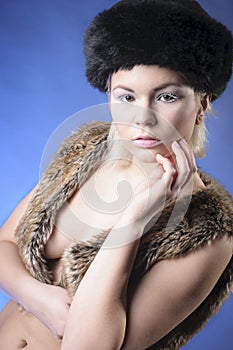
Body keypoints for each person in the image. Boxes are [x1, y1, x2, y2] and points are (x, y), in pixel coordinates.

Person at [0, 0, 232, 349]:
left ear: (201, 104)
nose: (142, 117)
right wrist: (38, 299)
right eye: (126, 97)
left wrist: (134, 222)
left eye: (166, 96)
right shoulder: (85, 153)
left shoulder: (207, 232)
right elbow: (6, 244)